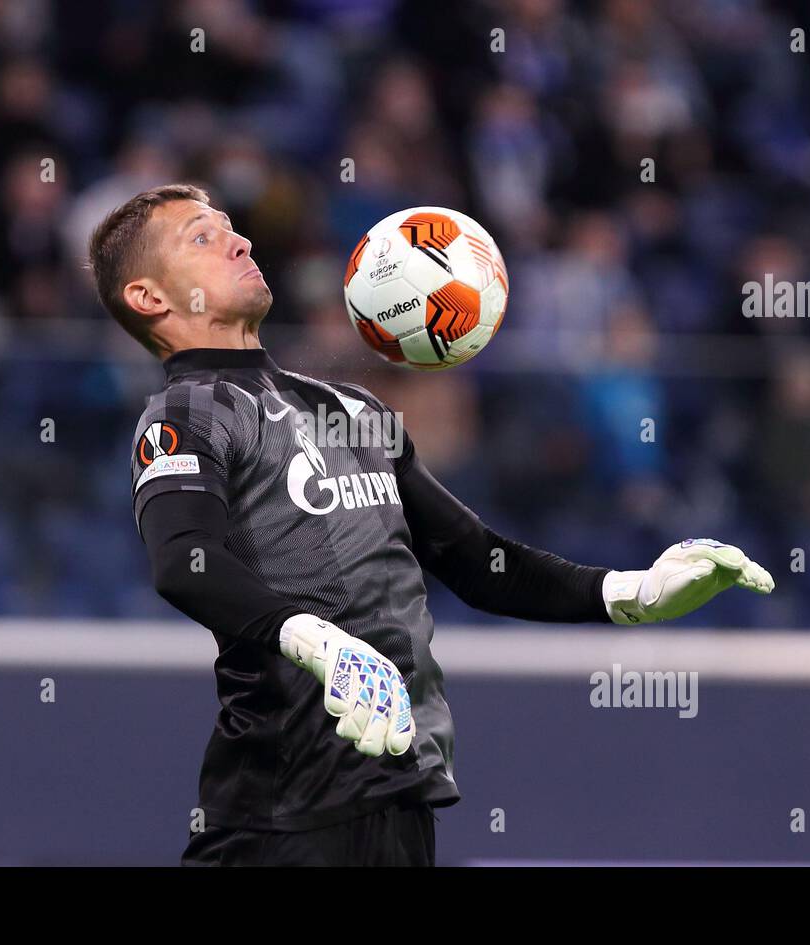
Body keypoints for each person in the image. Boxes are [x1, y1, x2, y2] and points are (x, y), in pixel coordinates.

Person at [87, 183, 774, 866]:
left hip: (402, 800)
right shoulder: (184, 413)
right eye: (202, 237)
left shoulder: (349, 406)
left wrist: (631, 592)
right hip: (278, 813)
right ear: (150, 298)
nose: (238, 240)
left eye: (231, 226)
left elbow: (475, 560)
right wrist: (318, 642)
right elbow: (184, 561)